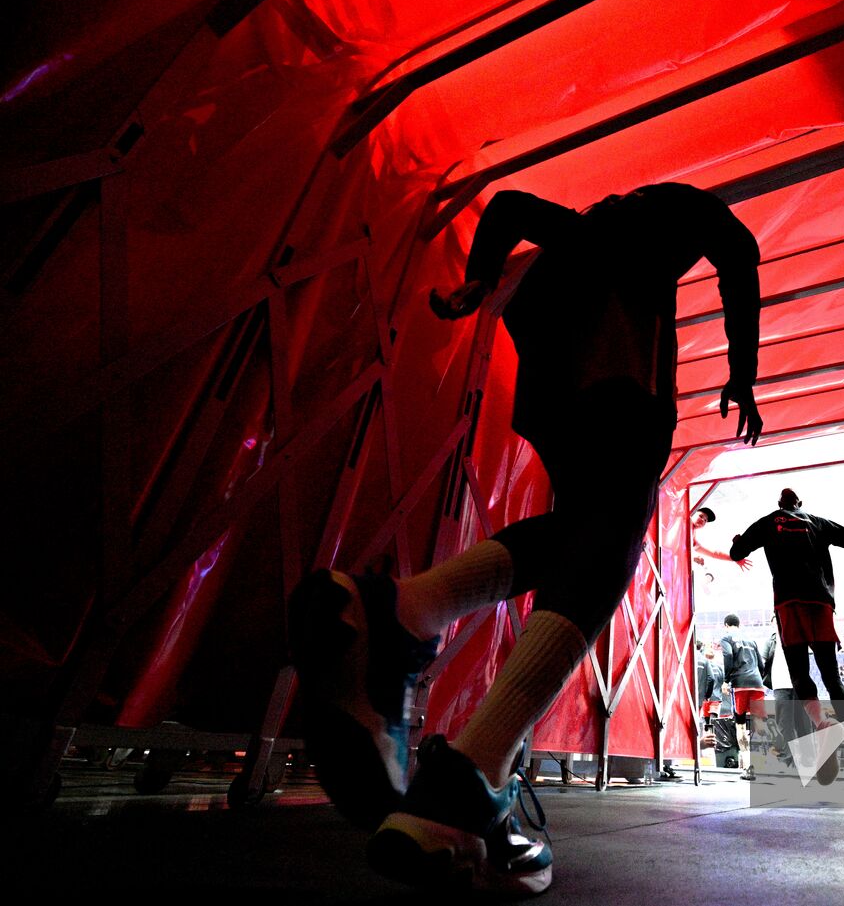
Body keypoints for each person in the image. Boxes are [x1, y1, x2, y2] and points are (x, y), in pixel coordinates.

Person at [288, 184, 762, 893]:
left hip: (548, 351)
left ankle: (402, 609)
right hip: (613, 354)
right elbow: (738, 251)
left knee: (575, 528)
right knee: (611, 543)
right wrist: (742, 373)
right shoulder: (670, 217)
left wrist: (475, 282)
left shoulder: (578, 226)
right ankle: (469, 776)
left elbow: (508, 206)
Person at [730, 488, 844, 803]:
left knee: (801, 677)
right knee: (832, 679)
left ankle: (824, 725)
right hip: (820, 603)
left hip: (789, 604)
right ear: (798, 504)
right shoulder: (818, 523)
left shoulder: (769, 522)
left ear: (785, 504)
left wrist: (737, 542)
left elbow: (736, 552)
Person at [719, 613, 766, 780]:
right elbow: (761, 665)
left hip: (740, 684)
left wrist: (726, 680)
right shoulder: (751, 640)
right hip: (757, 683)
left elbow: (728, 656)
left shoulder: (726, 637)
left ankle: (747, 767)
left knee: (740, 725)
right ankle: (760, 764)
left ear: (726, 625)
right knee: (758, 725)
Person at [691, 506, 751, 571]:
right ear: (693, 513)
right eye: (701, 516)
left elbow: (714, 553)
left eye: (705, 520)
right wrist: (693, 558)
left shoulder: (692, 540)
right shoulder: (684, 520)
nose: (703, 520)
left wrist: (734, 558)